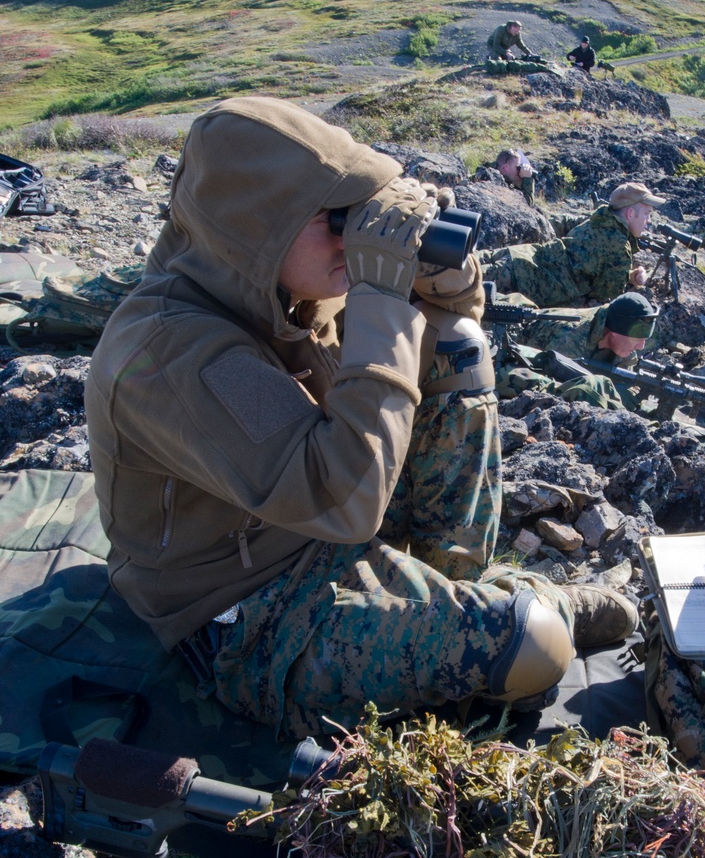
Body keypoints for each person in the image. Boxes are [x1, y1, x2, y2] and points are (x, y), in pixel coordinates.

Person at [84, 97, 637, 741]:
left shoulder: (285, 292)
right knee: (534, 646)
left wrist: (438, 282)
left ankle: (454, 577)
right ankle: (532, 605)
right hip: (243, 611)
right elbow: (343, 500)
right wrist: (377, 296)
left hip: (319, 525)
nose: (353, 242)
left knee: (454, 341)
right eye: (336, 222)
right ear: (257, 227)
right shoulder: (173, 352)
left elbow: (441, 345)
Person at [481, 181, 665, 308]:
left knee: (458, 262)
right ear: (630, 214)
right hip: (523, 279)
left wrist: (629, 275)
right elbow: (604, 300)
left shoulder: (598, 219)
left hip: (519, 256)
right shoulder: (619, 246)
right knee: (457, 284)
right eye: (647, 214)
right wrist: (631, 281)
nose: (649, 221)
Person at [496, 290, 659, 411]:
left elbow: (623, 382)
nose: (641, 347)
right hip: (506, 329)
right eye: (638, 341)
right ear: (615, 332)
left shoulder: (624, 345)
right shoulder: (571, 338)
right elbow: (557, 390)